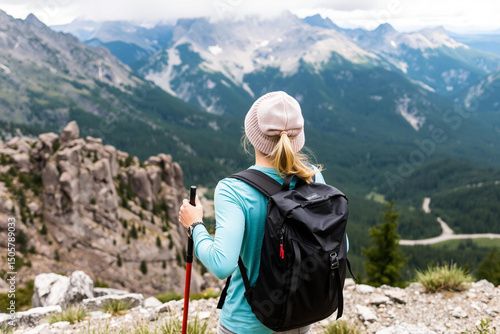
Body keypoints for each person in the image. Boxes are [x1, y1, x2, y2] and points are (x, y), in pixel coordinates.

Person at [179, 91, 346, 334]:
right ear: (298, 137)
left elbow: (221, 264)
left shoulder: (233, 190)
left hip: (245, 324)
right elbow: (342, 245)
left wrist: (195, 225)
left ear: (251, 134)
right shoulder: (312, 176)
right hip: (299, 317)